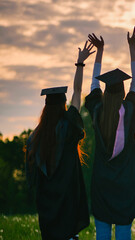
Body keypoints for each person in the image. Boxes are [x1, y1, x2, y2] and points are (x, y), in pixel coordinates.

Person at [26, 41, 94, 240]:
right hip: (67, 199)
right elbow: (77, 92)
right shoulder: (69, 126)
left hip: (46, 204)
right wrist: (80, 64)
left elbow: (32, 177)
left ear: (45, 108)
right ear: (63, 105)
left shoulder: (34, 138)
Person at [85, 26, 135, 240]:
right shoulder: (129, 110)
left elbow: (93, 85)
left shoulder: (97, 111)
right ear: (122, 92)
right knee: (123, 232)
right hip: (125, 184)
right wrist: (132, 48)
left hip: (102, 184)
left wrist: (99, 52)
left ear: (104, 91)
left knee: (102, 233)